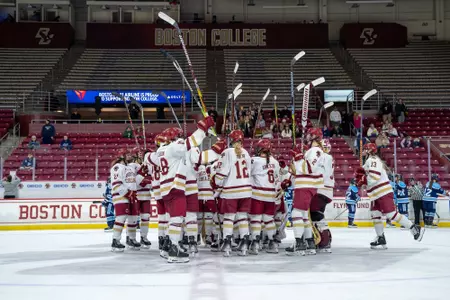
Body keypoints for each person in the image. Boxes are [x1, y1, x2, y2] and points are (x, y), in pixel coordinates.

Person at [157, 116, 215, 262]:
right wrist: (202, 128)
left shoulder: (164, 150)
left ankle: (172, 245)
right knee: (176, 219)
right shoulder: (173, 147)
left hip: (168, 188)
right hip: (174, 188)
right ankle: (173, 250)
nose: (181, 139)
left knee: (175, 219)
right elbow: (191, 143)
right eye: (178, 137)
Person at [355, 143, 423, 250]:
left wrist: (363, 180)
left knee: (390, 214)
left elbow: (374, 176)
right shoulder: (368, 162)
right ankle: (380, 237)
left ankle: (413, 228)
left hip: (382, 192)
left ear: (369, 151)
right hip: (375, 194)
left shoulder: (372, 160)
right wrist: (361, 178)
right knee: (375, 214)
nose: (363, 151)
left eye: (365, 149)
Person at [211, 130, 252, 257]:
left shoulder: (227, 152)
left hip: (231, 191)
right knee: (242, 217)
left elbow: (222, 173)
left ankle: (227, 243)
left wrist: (216, 183)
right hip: (246, 190)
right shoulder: (246, 153)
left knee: (229, 218)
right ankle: (245, 244)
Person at [284, 128, 325, 256]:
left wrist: (298, 158)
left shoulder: (316, 151)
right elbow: (300, 170)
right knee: (303, 215)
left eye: (310, 135)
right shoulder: (313, 151)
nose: (308, 137)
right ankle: (310, 243)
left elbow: (308, 168)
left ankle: (299, 243)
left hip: (306, 185)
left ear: (315, 137)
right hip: (306, 185)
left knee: (296, 213)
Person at [249, 139, 280, 254]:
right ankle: (273, 243)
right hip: (271, 195)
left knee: (256, 219)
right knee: (269, 220)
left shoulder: (254, 161)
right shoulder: (275, 161)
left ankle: (255, 243)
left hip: (258, 194)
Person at [110, 149, 139, 252]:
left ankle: (131, 239)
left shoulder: (128, 167)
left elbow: (134, 180)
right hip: (121, 196)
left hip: (131, 195)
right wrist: (127, 193)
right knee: (121, 218)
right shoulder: (117, 167)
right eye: (127, 154)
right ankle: (115, 240)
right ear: (121, 156)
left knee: (133, 218)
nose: (129, 156)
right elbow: (116, 185)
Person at [310, 138, 334, 253]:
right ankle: (322, 238)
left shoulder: (324, 157)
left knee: (315, 214)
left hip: (322, 188)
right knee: (316, 214)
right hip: (326, 189)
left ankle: (325, 240)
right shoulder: (329, 157)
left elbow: (314, 170)